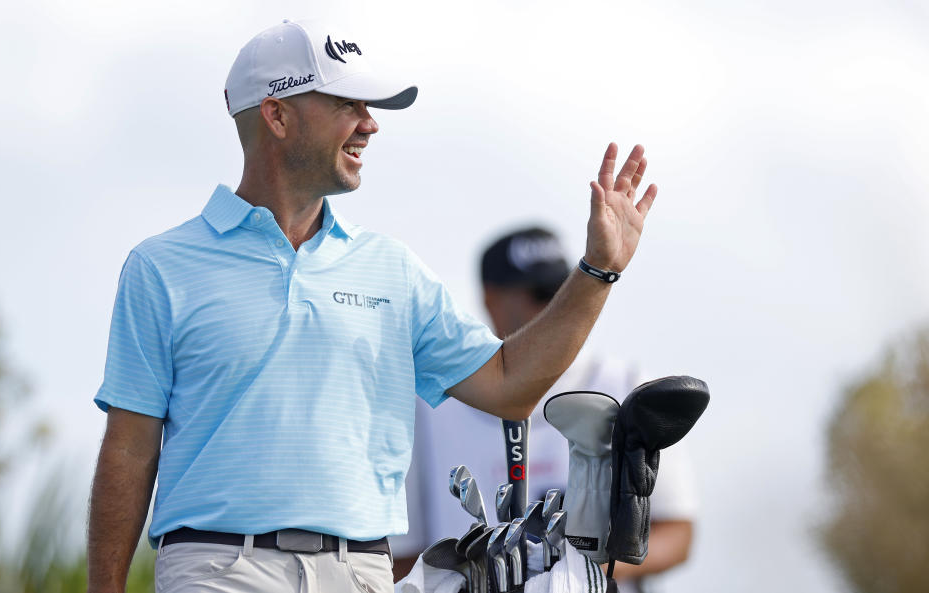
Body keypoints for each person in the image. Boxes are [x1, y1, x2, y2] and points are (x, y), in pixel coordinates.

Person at [85, 17, 660, 593]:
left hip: (361, 573)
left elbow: (512, 386)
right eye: (347, 104)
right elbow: (129, 451)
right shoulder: (161, 267)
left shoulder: (395, 270)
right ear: (278, 114)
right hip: (219, 569)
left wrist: (597, 272)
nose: (370, 125)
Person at [390, 228, 698, 592]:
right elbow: (401, 557)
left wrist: (584, 572)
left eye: (563, 292)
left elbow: (678, 532)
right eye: (541, 295)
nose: (558, 309)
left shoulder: (625, 384)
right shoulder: (426, 405)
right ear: (491, 299)